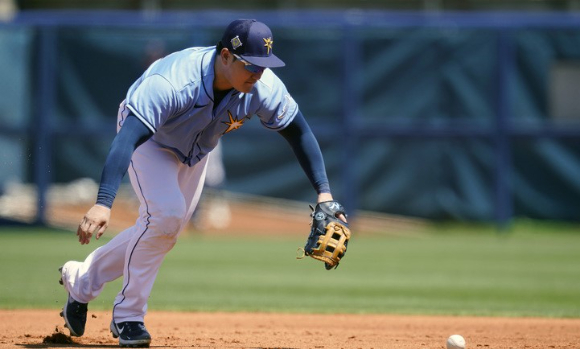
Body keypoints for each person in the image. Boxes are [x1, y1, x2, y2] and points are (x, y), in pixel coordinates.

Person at [58, 19, 345, 348]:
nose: (259, 74)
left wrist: (324, 192)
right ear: (226, 56)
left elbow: (299, 131)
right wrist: (104, 201)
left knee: (164, 230)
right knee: (165, 217)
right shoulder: (174, 82)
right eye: (251, 65)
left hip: (194, 151)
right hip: (150, 141)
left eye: (265, 66)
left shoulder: (262, 87)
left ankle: (81, 280)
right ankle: (128, 318)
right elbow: (127, 139)